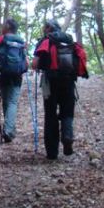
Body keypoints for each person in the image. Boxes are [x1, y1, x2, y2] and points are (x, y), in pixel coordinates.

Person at [33, 18, 80, 159]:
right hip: (69, 80)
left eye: (44, 27)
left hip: (50, 81)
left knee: (51, 114)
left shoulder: (45, 41)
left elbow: (35, 64)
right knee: (67, 111)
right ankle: (67, 135)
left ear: (48, 28)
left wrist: (38, 65)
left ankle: (52, 152)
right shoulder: (69, 39)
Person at [0, 18, 27, 143]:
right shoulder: (21, 40)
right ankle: (9, 130)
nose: (2, 27)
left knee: (7, 101)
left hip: (4, 73)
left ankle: (8, 130)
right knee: (12, 101)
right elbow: (24, 57)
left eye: (3, 25)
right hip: (17, 74)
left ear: (7, 26)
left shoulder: (1, 39)